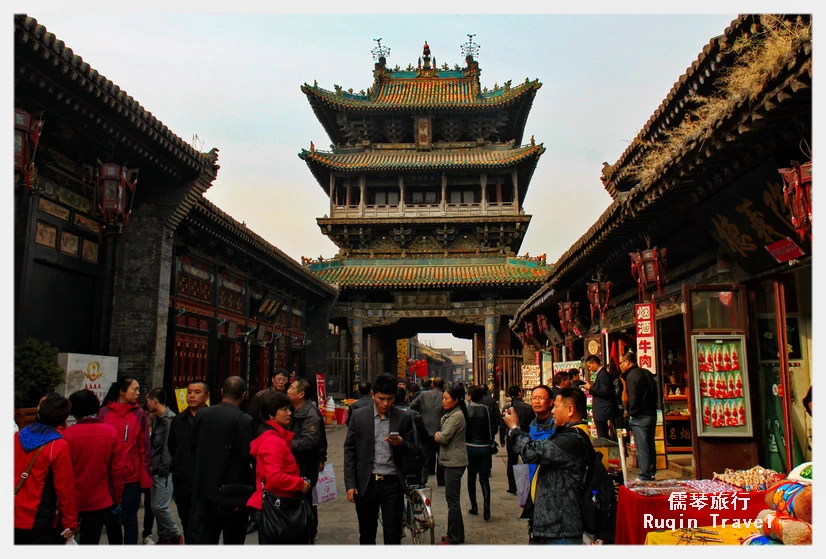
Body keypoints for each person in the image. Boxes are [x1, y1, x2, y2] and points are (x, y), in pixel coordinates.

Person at [504, 387, 591, 544]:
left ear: (570, 409)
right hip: (548, 517)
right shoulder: (555, 431)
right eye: (534, 398)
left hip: (561, 524)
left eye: (556, 406)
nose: (553, 411)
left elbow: (533, 452)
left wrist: (514, 429)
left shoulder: (572, 439)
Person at [343, 373, 417, 545]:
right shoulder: (359, 416)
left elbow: (415, 450)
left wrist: (401, 443)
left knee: (393, 535)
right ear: (372, 395)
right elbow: (350, 451)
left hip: (392, 483)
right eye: (381, 398)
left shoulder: (403, 417)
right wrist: (351, 484)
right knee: (367, 534)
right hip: (367, 483)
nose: (385, 404)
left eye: (389, 399)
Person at [189, 376, 257, 545]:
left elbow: (193, 446)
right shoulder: (244, 420)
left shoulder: (203, 414)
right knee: (233, 539)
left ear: (221, 392)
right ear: (243, 395)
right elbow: (246, 455)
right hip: (233, 490)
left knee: (207, 537)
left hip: (205, 488)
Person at [247, 391, 313, 545]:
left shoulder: (275, 437)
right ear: (271, 415)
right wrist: (300, 484)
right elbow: (275, 477)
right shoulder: (272, 441)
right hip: (278, 507)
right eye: (284, 409)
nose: (289, 413)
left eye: (289, 409)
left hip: (277, 503)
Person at [14, 393, 78, 545]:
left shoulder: (17, 436)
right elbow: (65, 488)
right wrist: (70, 521)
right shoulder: (58, 446)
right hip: (40, 518)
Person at [64, 389, 124, 545]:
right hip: (100, 499)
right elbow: (117, 470)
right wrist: (116, 497)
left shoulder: (67, 436)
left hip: (73, 500)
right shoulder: (110, 433)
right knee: (90, 540)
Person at [100, 377, 153, 545]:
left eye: (139, 390)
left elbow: (144, 447)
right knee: (111, 518)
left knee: (130, 518)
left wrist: (145, 478)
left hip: (132, 476)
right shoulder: (103, 413)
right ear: (122, 391)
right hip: (108, 476)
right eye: (134, 389)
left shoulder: (139, 414)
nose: (138, 393)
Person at [287, 377, 328, 543]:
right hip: (296, 462)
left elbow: (312, 440)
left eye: (292, 387)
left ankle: (308, 532)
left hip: (304, 464)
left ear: (301, 394)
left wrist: (286, 445)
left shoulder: (309, 413)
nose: (288, 389)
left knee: (307, 500)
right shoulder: (293, 410)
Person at [167, 380, 208, 542]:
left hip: (205, 481)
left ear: (207, 396)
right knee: (187, 522)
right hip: (183, 480)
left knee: (203, 525)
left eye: (197, 392)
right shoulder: (178, 420)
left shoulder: (212, 419)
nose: (191, 396)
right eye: (189, 392)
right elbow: (172, 447)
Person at [145, 388, 184, 544]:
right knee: (155, 506)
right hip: (154, 468)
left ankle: (175, 532)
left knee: (159, 506)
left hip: (164, 470)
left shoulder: (170, 420)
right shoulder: (156, 419)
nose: (146, 404)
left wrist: (164, 467)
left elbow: (168, 448)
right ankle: (166, 536)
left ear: (155, 401)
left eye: (148, 400)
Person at [435, 386, 468, 545]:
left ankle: (454, 537)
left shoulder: (456, 416)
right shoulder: (452, 414)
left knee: (452, 501)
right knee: (452, 500)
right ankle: (455, 534)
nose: (443, 401)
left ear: (455, 400)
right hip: (451, 460)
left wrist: (437, 435)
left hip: (454, 461)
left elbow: (444, 437)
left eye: (446, 398)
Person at [620, 352, 658, 481]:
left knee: (642, 446)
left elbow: (633, 398)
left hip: (640, 416)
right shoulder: (646, 373)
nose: (620, 366)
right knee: (650, 445)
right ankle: (651, 471)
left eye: (621, 363)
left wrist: (632, 414)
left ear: (627, 362)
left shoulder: (632, 376)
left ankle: (645, 474)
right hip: (651, 414)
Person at [410, 376, 446, 486]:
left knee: (424, 456)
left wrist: (420, 416)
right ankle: (441, 480)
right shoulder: (444, 396)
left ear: (432, 385)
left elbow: (412, 406)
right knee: (441, 457)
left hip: (425, 430)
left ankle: (423, 478)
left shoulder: (423, 395)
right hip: (440, 430)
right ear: (443, 385)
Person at [466, 385, 495, 520]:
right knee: (484, 478)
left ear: (470, 396)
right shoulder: (486, 410)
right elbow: (490, 428)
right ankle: (487, 505)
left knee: (471, 477)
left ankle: (474, 506)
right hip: (484, 447)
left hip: (470, 446)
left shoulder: (466, 410)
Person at [499, 385, 534, 494]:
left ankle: (512, 486)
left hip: (511, 438)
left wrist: (502, 439)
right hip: (526, 437)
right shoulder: (528, 408)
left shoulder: (506, 408)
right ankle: (527, 485)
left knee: (512, 462)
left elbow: (502, 425)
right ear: (520, 393)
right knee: (527, 461)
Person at [394, 386, 427, 485]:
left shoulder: (388, 415)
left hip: (394, 459)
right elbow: (423, 434)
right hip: (413, 457)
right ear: (405, 398)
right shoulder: (414, 414)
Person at [583, 355, 619, 441]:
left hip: (603, 409)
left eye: (589, 366)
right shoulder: (601, 374)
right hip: (601, 409)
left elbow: (604, 391)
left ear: (595, 363)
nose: (589, 368)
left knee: (603, 435)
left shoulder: (603, 374)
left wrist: (590, 388)